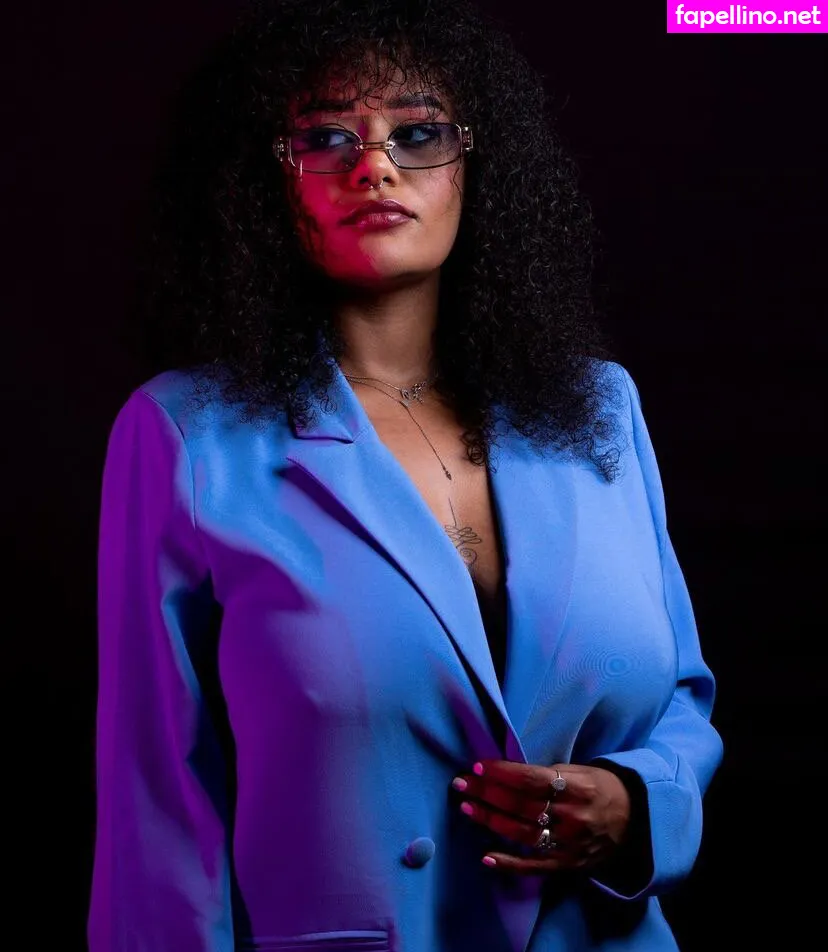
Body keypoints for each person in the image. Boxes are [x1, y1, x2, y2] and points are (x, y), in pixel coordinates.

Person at [88, 1, 723, 949]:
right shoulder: (186, 439)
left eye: (418, 134)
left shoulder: (599, 408)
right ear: (262, 179)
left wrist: (639, 805)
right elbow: (158, 807)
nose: (375, 167)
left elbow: (680, 697)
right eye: (326, 139)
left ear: (477, 164)